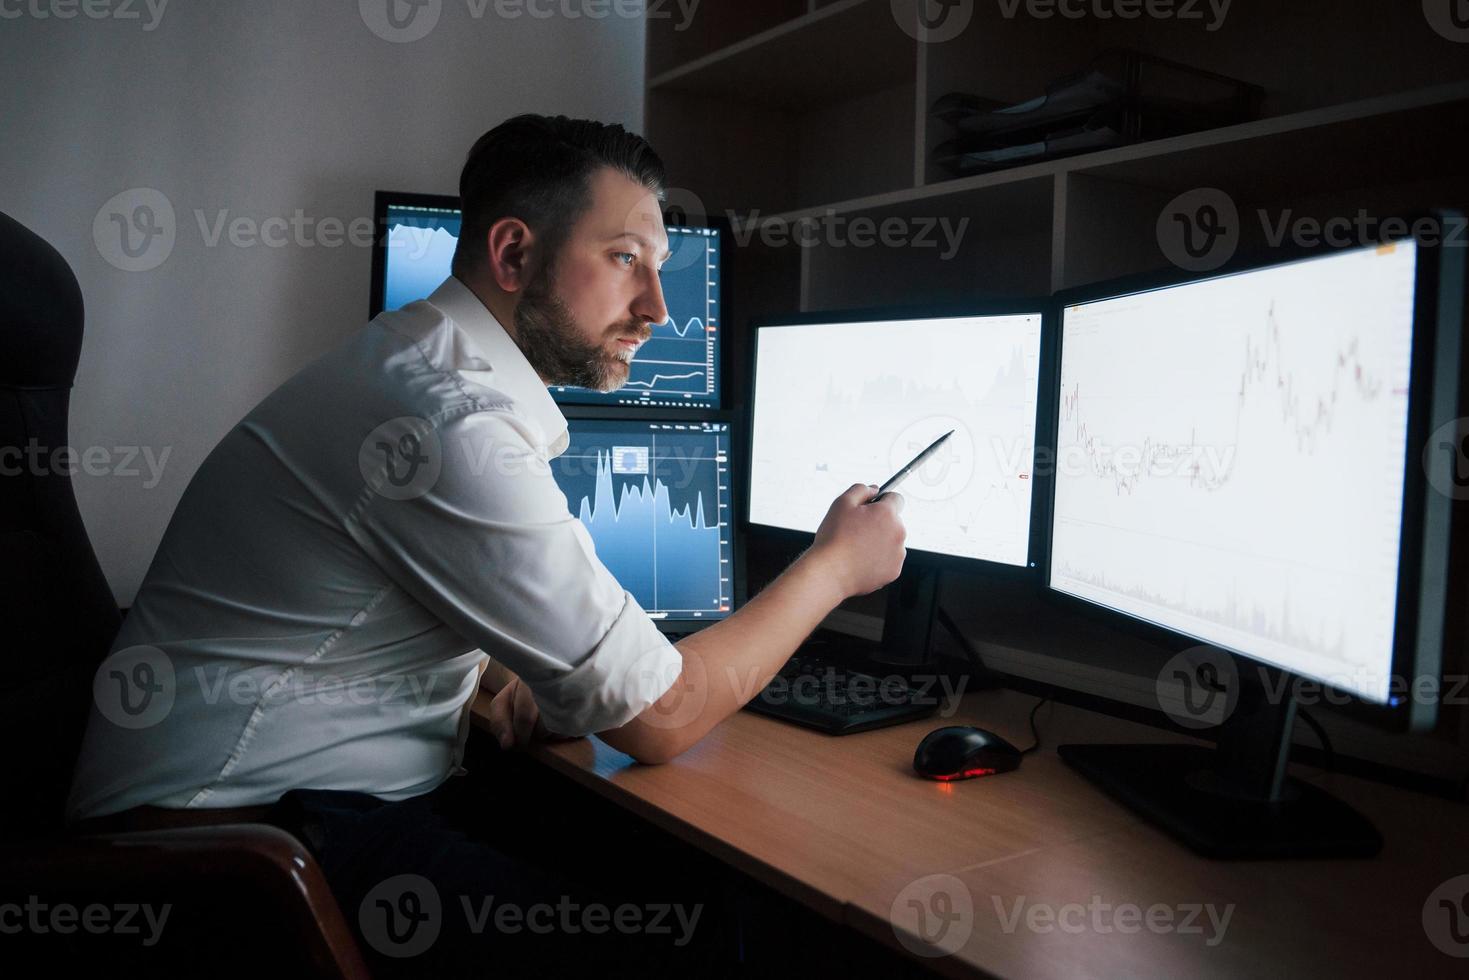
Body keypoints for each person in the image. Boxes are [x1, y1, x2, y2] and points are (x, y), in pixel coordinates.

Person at [64, 114, 907, 974]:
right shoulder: (447, 421)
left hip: (273, 813)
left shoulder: (413, 366)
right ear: (513, 256)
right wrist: (833, 566)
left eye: (659, 269)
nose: (656, 307)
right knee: (708, 933)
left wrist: (492, 674)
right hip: (227, 859)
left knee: (675, 874)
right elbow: (660, 718)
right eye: (625, 261)